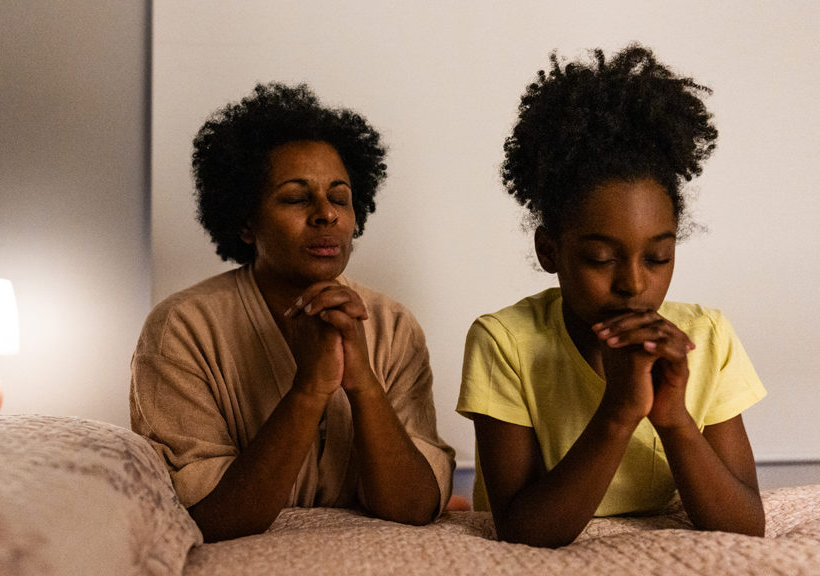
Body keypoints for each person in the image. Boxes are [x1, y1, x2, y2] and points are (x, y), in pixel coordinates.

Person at [456, 44, 767, 548]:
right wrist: (620, 412)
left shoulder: (707, 338)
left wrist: (673, 417)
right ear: (549, 250)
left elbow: (745, 526)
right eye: (601, 259)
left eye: (658, 258)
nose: (634, 284)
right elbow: (521, 529)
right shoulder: (505, 342)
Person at [131, 82, 455, 542]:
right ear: (246, 221)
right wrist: (310, 389)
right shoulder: (182, 328)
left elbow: (413, 506)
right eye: (296, 197)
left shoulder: (393, 326)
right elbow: (212, 518)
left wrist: (363, 384)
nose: (326, 214)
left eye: (340, 197)